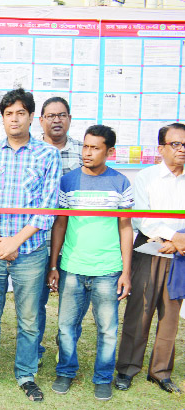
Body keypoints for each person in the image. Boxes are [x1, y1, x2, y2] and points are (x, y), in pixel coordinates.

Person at [0, 88, 61, 402]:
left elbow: (46, 208)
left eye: (21, 113)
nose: (15, 118)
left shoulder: (48, 155)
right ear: (2, 119)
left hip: (30, 252)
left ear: (32, 117)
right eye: (9, 113)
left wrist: (15, 242)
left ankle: (25, 374)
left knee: (30, 318)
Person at [47, 125, 133, 401]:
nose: (87, 152)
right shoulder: (68, 181)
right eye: (85, 146)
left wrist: (126, 272)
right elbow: (60, 224)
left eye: (95, 148)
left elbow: (125, 228)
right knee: (66, 326)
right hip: (72, 267)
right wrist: (54, 266)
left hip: (108, 270)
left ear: (110, 152)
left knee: (108, 329)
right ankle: (66, 371)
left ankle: (103, 377)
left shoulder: (121, 183)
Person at [115, 122, 185, 394]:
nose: (181, 150)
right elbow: (143, 218)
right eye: (175, 144)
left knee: (170, 314)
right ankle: (127, 369)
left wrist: (179, 242)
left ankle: (160, 372)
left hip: (180, 252)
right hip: (150, 248)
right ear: (161, 148)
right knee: (140, 311)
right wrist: (173, 237)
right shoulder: (146, 176)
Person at [36, 96, 84, 363]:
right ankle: (37, 350)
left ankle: (66, 352)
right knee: (37, 303)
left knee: (72, 306)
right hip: (39, 240)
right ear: (40, 120)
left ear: (69, 119)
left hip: (75, 242)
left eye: (62, 115)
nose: (56, 120)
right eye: (50, 115)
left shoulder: (83, 151)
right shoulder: (32, 151)